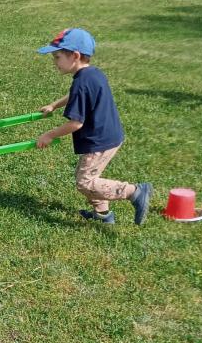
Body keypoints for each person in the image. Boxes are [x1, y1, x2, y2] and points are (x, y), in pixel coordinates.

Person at [35, 27, 152, 224]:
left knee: (85, 182)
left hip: (100, 141)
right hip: (107, 136)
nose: (54, 62)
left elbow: (76, 123)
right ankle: (103, 214)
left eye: (57, 57)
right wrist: (54, 105)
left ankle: (135, 192)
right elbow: (75, 95)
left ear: (75, 56)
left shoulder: (81, 83)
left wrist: (50, 135)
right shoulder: (92, 74)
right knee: (88, 176)